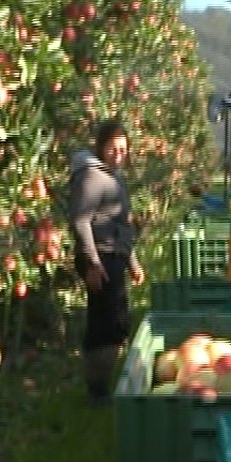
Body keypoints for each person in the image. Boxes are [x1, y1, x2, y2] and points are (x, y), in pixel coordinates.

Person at [68, 118, 145, 404]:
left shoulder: (114, 177)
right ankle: (97, 389)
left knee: (117, 320)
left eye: (123, 149)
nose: (119, 154)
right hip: (100, 256)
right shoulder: (91, 176)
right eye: (113, 148)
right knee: (103, 323)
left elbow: (121, 224)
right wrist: (92, 263)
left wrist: (132, 261)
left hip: (114, 255)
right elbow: (80, 221)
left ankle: (106, 379)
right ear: (101, 147)